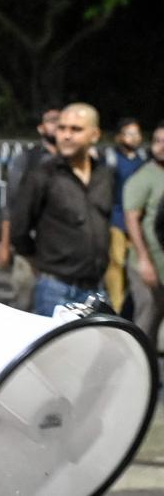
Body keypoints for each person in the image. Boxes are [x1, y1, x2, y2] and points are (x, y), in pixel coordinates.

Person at [10, 103, 113, 317]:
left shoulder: (105, 175)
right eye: (62, 128)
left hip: (95, 288)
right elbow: (19, 230)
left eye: (76, 129)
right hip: (56, 289)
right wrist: (41, 266)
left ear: (94, 135)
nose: (66, 135)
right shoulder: (42, 175)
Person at [0, 107, 60, 310]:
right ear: (41, 128)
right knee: (24, 303)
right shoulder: (27, 159)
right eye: (52, 120)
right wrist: (5, 245)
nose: (57, 125)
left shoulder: (74, 162)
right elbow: (10, 204)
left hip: (61, 251)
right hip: (29, 249)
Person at [124, 121, 164, 357]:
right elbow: (132, 220)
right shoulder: (143, 177)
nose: (161, 147)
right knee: (145, 323)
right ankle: (137, 371)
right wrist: (144, 260)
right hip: (147, 264)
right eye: (157, 141)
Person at [104, 118, 147, 313]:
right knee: (117, 262)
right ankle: (117, 305)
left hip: (138, 218)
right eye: (129, 133)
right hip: (117, 217)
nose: (134, 138)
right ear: (119, 136)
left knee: (134, 264)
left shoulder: (143, 159)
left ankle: (131, 305)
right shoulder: (112, 158)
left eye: (137, 134)